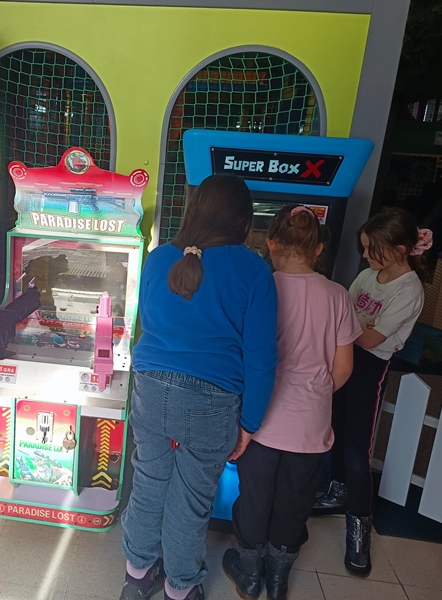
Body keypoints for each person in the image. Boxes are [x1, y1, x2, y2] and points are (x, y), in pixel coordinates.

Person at [120, 174, 278, 600]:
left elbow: (145, 323)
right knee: (190, 498)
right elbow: (261, 357)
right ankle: (180, 588)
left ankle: (137, 575)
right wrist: (250, 422)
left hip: (150, 388)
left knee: (148, 481)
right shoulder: (255, 271)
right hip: (212, 399)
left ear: (194, 210)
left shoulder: (158, 259)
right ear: (244, 222)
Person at [222, 206, 360, 600]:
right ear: (317, 249)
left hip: (260, 420)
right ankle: (278, 579)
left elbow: (241, 354)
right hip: (311, 424)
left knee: (254, 497)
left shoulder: (259, 286)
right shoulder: (338, 295)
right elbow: (344, 368)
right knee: (295, 501)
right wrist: (314, 394)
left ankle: (250, 574)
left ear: (271, 244)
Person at [312, 207, 433, 577]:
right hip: (342, 358)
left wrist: (341, 325)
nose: (365, 256)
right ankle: (337, 491)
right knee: (334, 430)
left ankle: (359, 529)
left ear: (400, 249)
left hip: (369, 368)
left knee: (357, 450)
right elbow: (347, 320)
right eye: (363, 247)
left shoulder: (409, 290)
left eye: (372, 249)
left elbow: (368, 338)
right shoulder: (367, 276)